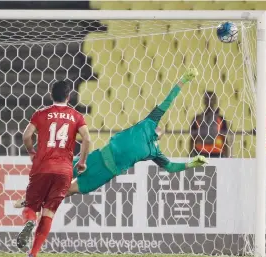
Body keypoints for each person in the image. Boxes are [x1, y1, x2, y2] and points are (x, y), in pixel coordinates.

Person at [15, 68, 207, 204]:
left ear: (162, 136)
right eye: (161, 126)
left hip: (106, 172)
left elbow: (171, 167)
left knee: (68, 191)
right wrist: (183, 81)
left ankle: (35, 202)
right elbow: (168, 101)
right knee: (58, 173)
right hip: (98, 156)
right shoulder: (150, 121)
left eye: (162, 130)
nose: (161, 128)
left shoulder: (154, 152)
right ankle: (31, 198)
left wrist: (192, 164)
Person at [17, 80, 90, 257]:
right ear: (68, 96)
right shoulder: (77, 116)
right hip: (64, 171)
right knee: (48, 212)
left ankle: (30, 221)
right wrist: (81, 162)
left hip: (42, 167)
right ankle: (32, 256)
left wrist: (31, 152)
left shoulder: (41, 113)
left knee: (31, 207)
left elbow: (26, 136)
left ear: (51, 94)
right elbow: (87, 138)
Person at [190, 91, 231, 158]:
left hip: (217, 153)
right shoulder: (197, 118)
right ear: (204, 101)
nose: (209, 101)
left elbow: (224, 140)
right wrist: (190, 156)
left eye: (212, 99)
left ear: (215, 101)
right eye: (207, 99)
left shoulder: (221, 119)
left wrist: (227, 158)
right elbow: (192, 139)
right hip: (200, 153)